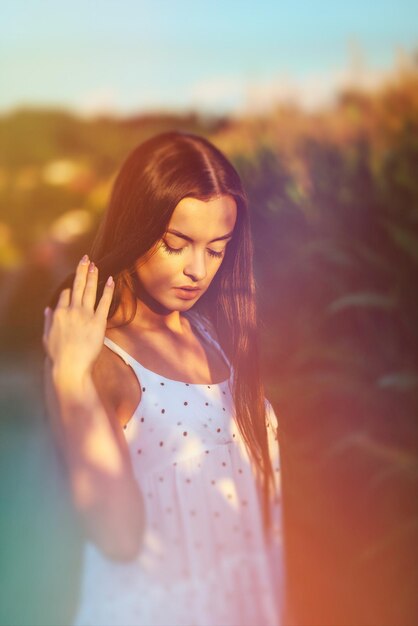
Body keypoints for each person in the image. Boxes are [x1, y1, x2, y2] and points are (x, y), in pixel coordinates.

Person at [43, 131, 285, 626]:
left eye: (216, 250)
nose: (197, 270)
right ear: (137, 226)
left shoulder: (211, 333)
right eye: (177, 245)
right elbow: (117, 537)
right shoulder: (96, 360)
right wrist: (69, 379)